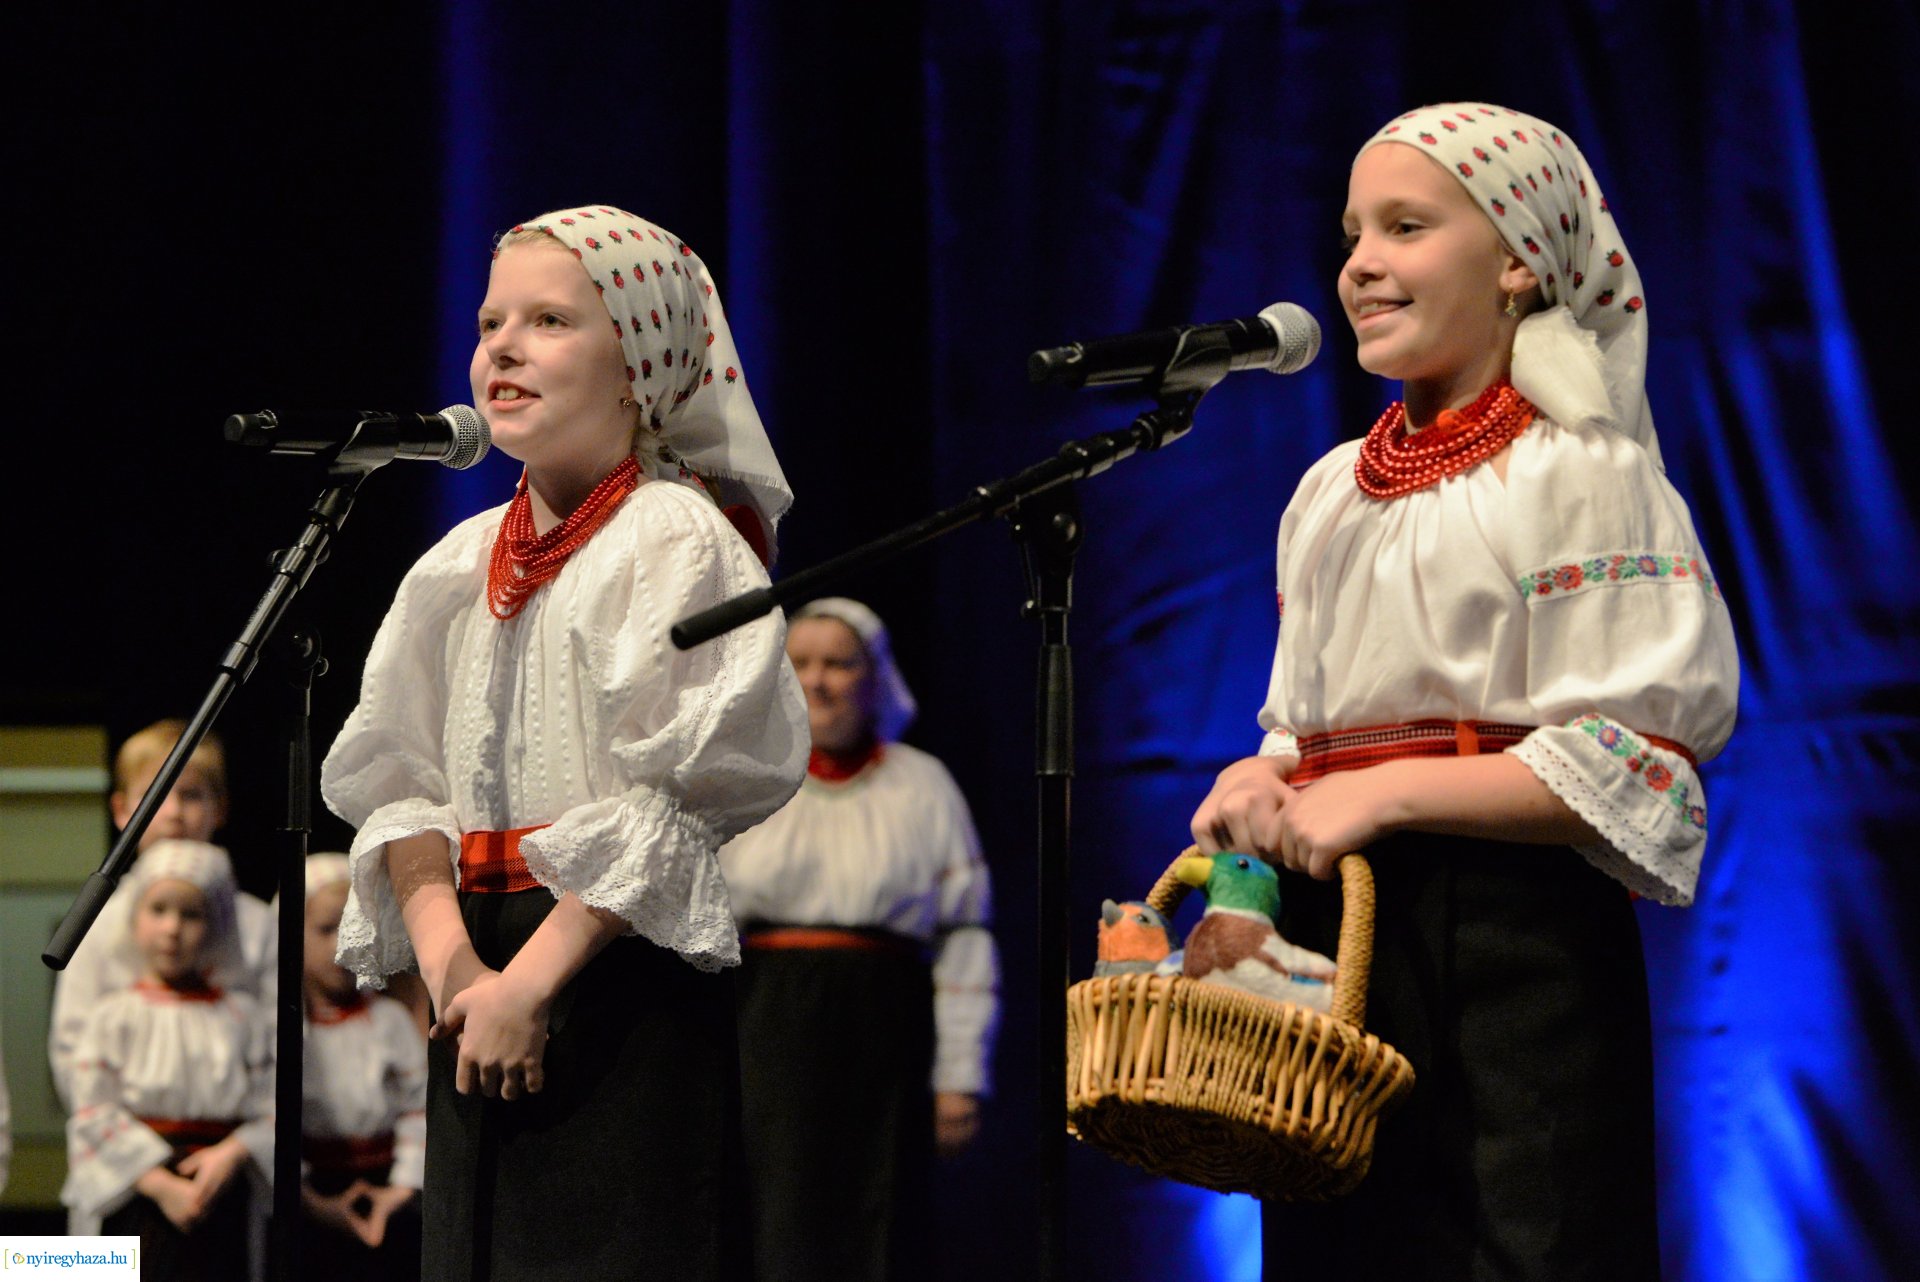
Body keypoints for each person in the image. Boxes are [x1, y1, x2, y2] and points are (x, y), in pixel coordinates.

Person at [1189, 103, 1738, 1280]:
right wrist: (1268, 768)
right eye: (1352, 234)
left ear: (1518, 259)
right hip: (1340, 937)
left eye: (1406, 226)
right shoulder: (1331, 490)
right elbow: (1308, 719)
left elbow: (1635, 756)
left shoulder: (1582, 471)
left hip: (1509, 943)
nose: (1361, 264)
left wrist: (1381, 795)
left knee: (1521, 1238)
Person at [320, 205, 809, 1282]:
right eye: (492, 320)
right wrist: (453, 968)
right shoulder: (454, 562)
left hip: (608, 962)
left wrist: (527, 987)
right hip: (476, 965)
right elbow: (400, 779)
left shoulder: (677, 537)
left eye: (549, 320)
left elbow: (676, 797)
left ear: (638, 366)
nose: (502, 346)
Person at [720, 597, 999, 1282]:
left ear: (875, 678)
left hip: (885, 1038)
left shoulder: (923, 786)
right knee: (769, 1223)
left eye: (839, 664)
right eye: (801, 664)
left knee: (878, 1224)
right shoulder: (742, 787)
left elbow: (965, 934)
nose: (818, 681)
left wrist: (959, 1076)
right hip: (762, 1033)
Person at [62, 839, 273, 1282]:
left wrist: (233, 1153)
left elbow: (272, 1106)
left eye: (191, 914)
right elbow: (92, 1110)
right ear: (133, 917)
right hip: (140, 1193)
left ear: (216, 925)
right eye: (158, 909)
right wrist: (160, 1185)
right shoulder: (113, 1016)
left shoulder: (241, 1017)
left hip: (219, 1192)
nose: (172, 928)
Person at [50, 721, 275, 1111]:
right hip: (128, 1150)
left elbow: (281, 1044)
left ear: (219, 808)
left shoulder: (259, 924)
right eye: (155, 795)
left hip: (232, 1149)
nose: (173, 813)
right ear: (121, 810)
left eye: (190, 795)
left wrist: (239, 1146)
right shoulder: (99, 921)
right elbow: (72, 1046)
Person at [297, 853, 424, 1282]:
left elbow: (417, 1106)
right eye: (327, 928)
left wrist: (402, 1186)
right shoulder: (286, 1032)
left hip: (386, 1188)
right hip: (312, 1195)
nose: (343, 943)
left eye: (355, 927)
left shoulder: (389, 1020)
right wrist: (308, 1199)